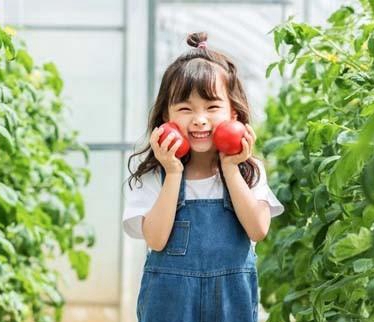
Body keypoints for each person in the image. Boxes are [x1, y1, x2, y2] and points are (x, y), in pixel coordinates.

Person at [122, 31, 284, 322]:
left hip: (230, 305)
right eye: (185, 109)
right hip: (170, 306)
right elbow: (156, 240)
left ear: (234, 114)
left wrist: (231, 169)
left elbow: (258, 229)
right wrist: (173, 172)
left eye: (212, 107)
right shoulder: (155, 175)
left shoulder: (249, 172)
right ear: (165, 119)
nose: (199, 119)